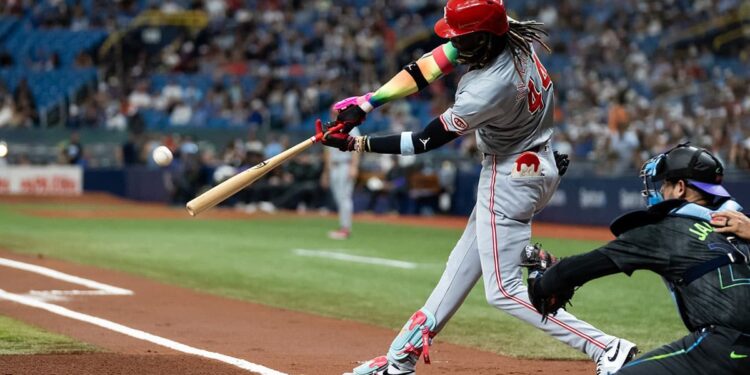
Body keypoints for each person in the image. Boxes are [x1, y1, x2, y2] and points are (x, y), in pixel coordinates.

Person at [317, 1, 636, 374]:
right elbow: (433, 63)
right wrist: (368, 103)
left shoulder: (489, 87)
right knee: (458, 269)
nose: (456, 45)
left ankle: (608, 348)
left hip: (511, 175)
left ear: (483, 38)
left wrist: (358, 143)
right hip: (535, 162)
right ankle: (398, 362)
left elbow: (424, 141)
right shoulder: (508, 33)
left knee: (503, 291)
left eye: (463, 39)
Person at [520, 144, 750, 375]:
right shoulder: (741, 226)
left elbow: (578, 269)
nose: (661, 192)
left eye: (665, 185)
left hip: (724, 349)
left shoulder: (665, 230)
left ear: (680, 188)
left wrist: (541, 283)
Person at [321, 126, 361, 239]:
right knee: (339, 198)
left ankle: (345, 228)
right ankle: (343, 227)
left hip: (345, 164)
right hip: (333, 166)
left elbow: (357, 145)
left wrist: (354, 166)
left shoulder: (351, 127)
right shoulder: (331, 127)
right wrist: (326, 172)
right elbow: (327, 151)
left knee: (344, 197)